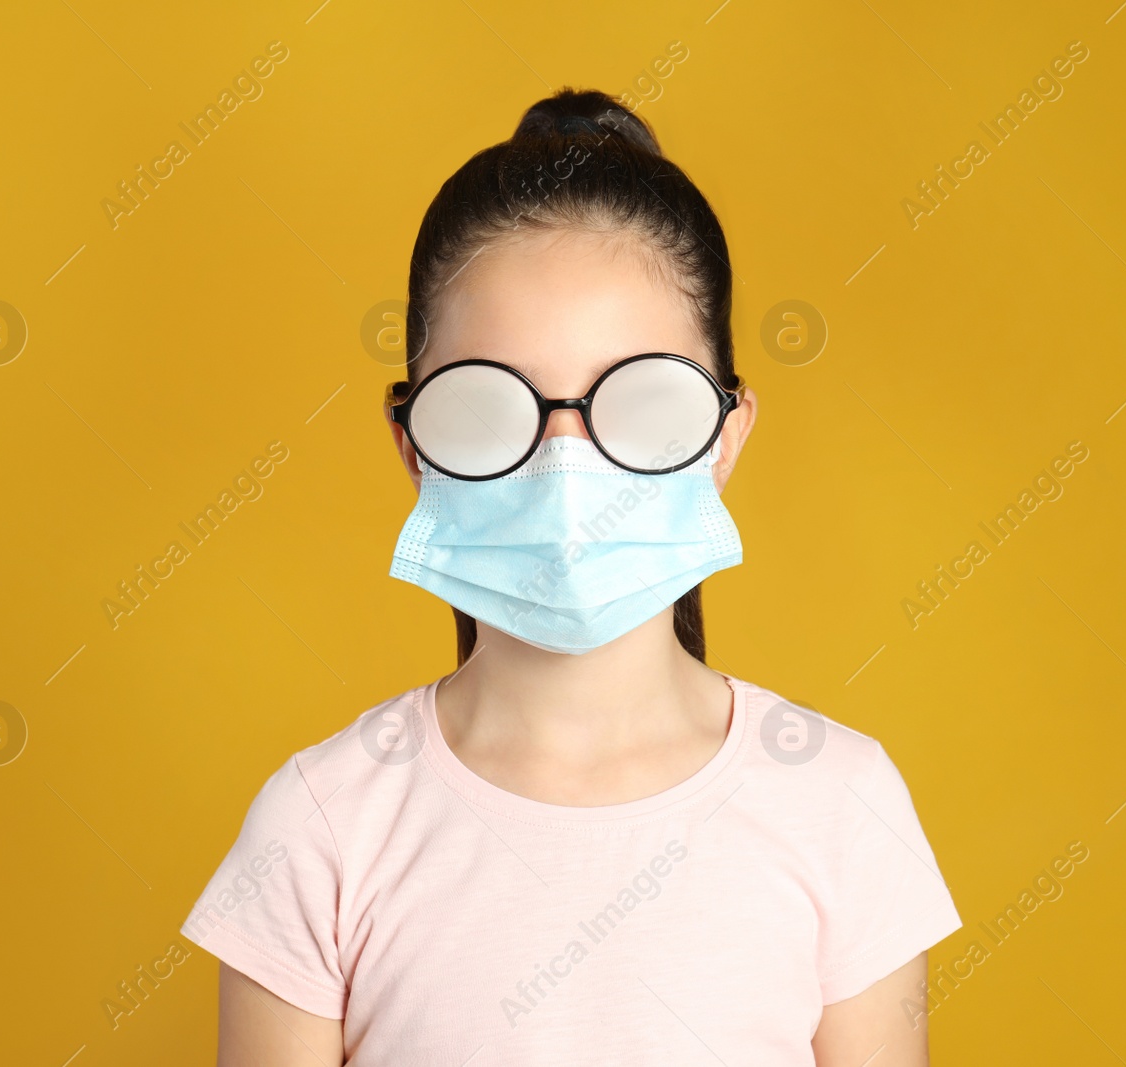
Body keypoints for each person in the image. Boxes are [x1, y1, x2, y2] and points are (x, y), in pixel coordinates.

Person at [182, 88, 961, 1066]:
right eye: (487, 403)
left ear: (723, 434)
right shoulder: (321, 828)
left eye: (636, 399)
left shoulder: (840, 803)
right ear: (412, 439)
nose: (564, 459)